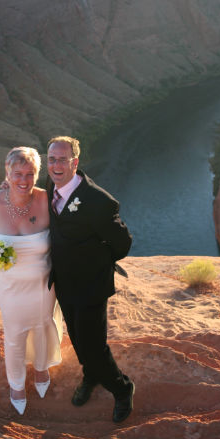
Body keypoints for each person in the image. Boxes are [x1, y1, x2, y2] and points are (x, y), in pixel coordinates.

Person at [46, 135, 134, 423]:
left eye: (63, 159)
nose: (56, 165)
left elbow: (123, 243)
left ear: (75, 162)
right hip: (64, 283)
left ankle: (122, 389)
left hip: (91, 286)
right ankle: (91, 376)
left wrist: (98, 263)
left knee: (94, 346)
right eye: (52, 159)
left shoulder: (98, 201)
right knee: (78, 338)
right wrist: (7, 188)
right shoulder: (51, 186)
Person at [0, 147, 62, 415]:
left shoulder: (47, 200)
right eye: (18, 174)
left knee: (43, 324)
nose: (24, 180)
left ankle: (42, 369)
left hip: (44, 282)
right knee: (15, 333)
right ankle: (17, 385)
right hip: (10, 285)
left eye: (30, 174)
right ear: (7, 173)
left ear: (37, 174)